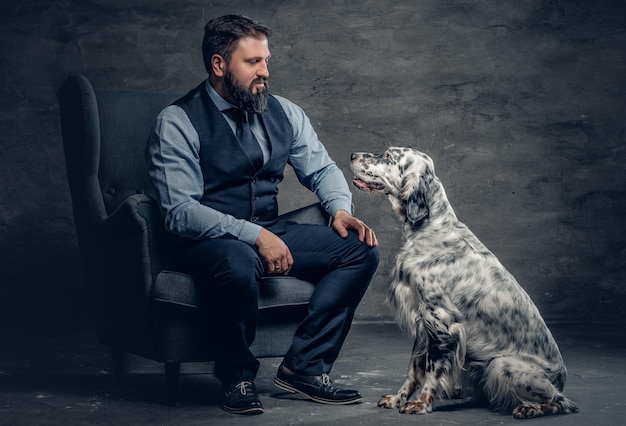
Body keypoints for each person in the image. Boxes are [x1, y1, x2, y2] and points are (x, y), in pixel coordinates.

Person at [146, 14, 379, 415]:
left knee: (359, 248)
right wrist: (252, 236)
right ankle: (236, 376)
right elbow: (180, 212)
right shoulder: (177, 121)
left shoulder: (284, 112)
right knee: (237, 261)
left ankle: (303, 368)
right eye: (253, 62)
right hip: (208, 241)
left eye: (266, 61)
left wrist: (340, 209)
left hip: (269, 229)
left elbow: (321, 169)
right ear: (219, 65)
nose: (265, 72)